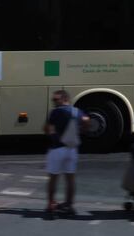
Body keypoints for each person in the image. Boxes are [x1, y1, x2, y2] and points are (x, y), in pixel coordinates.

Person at [43, 90, 90, 219]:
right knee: (70, 179)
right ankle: (69, 205)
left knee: (53, 178)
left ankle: (51, 204)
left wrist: (52, 135)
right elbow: (86, 120)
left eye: (55, 100)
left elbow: (47, 128)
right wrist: (81, 130)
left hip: (57, 149)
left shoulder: (55, 112)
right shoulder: (76, 111)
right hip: (71, 150)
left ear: (64, 99)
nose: (54, 102)